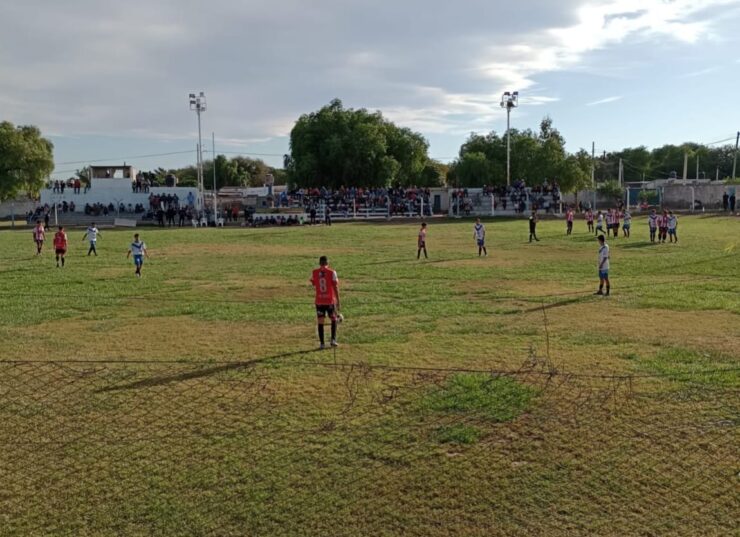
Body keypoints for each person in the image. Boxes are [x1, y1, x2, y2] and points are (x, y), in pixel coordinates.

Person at [310, 255, 340, 349]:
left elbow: (314, 283)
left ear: (320, 263)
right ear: (328, 263)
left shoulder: (314, 272)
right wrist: (338, 300)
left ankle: (322, 343)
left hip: (319, 300)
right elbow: (335, 286)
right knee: (333, 319)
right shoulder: (332, 272)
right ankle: (333, 340)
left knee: (320, 321)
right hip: (329, 300)